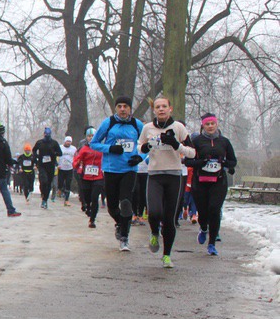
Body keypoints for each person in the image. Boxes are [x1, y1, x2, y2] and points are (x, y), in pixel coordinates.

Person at [138, 95, 196, 268]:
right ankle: (154, 232)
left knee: (169, 219)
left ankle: (167, 255)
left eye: (164, 106)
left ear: (170, 109)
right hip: (154, 175)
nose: (161, 109)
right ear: (154, 110)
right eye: (158, 107)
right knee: (154, 212)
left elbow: (192, 152)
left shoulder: (178, 127)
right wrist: (146, 147)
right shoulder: (148, 128)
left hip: (174, 175)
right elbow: (139, 147)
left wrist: (176, 145)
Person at [91, 96, 145, 252]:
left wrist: (140, 157)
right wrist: (110, 148)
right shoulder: (108, 123)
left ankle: (124, 237)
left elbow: (148, 145)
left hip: (129, 170)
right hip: (111, 169)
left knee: (126, 202)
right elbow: (94, 143)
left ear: (130, 108)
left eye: (125, 106)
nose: (122, 109)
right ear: (115, 108)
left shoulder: (137, 125)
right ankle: (120, 223)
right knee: (112, 207)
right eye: (119, 106)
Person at [185, 113, 237, 256]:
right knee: (203, 212)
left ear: (216, 124)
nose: (210, 126)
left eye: (212, 123)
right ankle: (203, 228)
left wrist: (224, 162)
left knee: (214, 210)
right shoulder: (196, 141)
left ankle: (212, 243)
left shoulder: (224, 142)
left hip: (218, 181)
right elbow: (187, 161)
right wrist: (201, 162)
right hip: (200, 182)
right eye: (207, 124)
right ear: (203, 126)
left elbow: (233, 161)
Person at [73, 131, 104, 228]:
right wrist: (77, 164)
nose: (91, 137)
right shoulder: (84, 149)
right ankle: (87, 206)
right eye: (89, 136)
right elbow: (76, 160)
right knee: (87, 197)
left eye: (93, 136)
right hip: (86, 177)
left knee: (95, 197)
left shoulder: (101, 148)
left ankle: (92, 220)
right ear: (86, 137)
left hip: (98, 176)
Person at [33, 127, 61, 208]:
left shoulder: (54, 143)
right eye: (46, 134)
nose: (47, 136)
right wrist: (36, 157)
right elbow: (34, 150)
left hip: (51, 166)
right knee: (44, 181)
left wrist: (54, 153)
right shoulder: (39, 142)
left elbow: (60, 153)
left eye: (48, 134)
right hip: (42, 165)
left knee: (48, 183)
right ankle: (43, 194)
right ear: (44, 134)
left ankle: (45, 200)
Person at [56, 135, 77, 206]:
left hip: (69, 169)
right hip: (61, 168)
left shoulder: (73, 149)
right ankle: (59, 189)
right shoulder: (60, 147)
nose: (68, 143)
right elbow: (56, 156)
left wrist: (75, 164)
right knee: (60, 183)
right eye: (67, 141)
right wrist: (57, 164)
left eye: (70, 141)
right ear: (65, 141)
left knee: (68, 184)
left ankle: (66, 200)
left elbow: (76, 157)